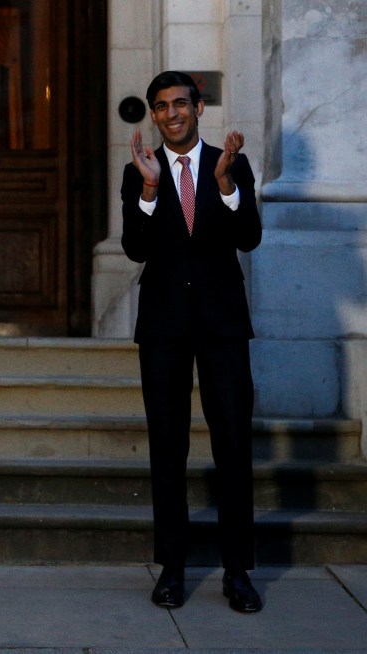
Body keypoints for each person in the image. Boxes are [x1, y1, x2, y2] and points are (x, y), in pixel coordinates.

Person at [121, 71, 263, 613]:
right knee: (167, 448)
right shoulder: (139, 172)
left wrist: (226, 186)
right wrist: (151, 190)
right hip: (163, 326)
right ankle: (172, 569)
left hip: (223, 323)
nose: (172, 113)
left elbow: (248, 236)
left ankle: (237, 572)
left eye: (181, 103)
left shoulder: (232, 165)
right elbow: (135, 249)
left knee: (232, 446)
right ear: (153, 116)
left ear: (199, 107)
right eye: (162, 106)